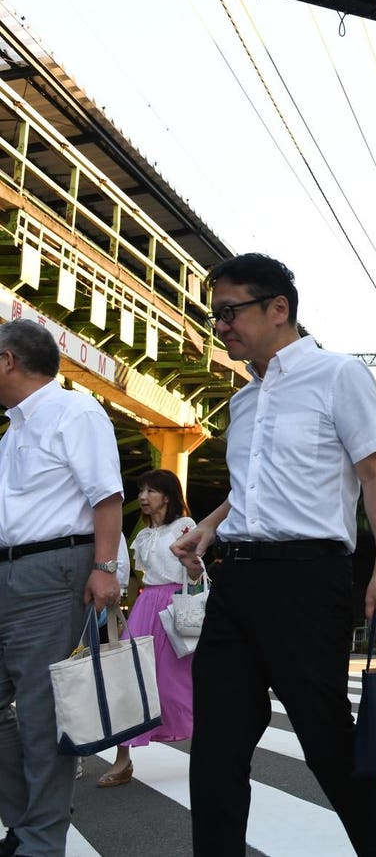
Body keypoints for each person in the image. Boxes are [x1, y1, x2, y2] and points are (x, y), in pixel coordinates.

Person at [170, 254, 376, 856]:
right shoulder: (244, 403)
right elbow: (255, 487)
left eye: (230, 311)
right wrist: (211, 525)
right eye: (214, 314)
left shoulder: (339, 376)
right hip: (237, 583)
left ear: (278, 309)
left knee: (327, 742)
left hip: (309, 581)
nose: (220, 325)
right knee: (217, 746)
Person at [0, 319, 123, 857]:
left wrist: (105, 568)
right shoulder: (17, 426)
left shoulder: (74, 410)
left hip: (54, 570)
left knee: (42, 710)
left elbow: (107, 497)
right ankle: (28, 822)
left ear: (7, 361)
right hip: (9, 571)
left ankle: (39, 842)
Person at [97, 470, 199, 789]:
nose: (142, 496)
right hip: (145, 606)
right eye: (141, 490)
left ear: (167, 496)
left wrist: (190, 562)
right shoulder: (141, 537)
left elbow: (197, 574)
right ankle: (122, 760)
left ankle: (215, 751)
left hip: (176, 607)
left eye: (150, 490)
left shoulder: (186, 527)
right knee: (129, 681)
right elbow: (137, 579)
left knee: (178, 684)